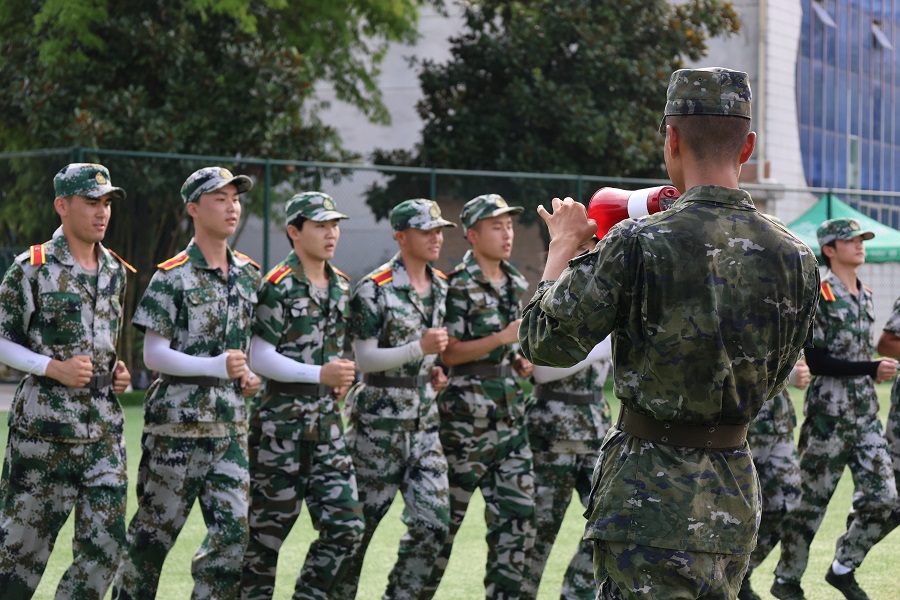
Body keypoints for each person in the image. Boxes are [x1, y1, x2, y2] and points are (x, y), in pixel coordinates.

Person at [518, 67, 820, 599]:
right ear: (747, 146)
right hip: (732, 494)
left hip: (646, 497)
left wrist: (562, 248)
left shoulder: (637, 241)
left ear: (672, 139)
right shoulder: (796, 257)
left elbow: (545, 343)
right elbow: (774, 377)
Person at [112, 167, 261, 600]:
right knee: (151, 541)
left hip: (230, 428)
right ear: (193, 209)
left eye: (236, 198)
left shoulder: (248, 274)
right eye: (220, 198)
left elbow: (245, 349)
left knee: (233, 536)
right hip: (177, 428)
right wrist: (216, 365)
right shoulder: (172, 275)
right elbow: (153, 355)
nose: (232, 207)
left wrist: (247, 374)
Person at [0, 163, 132, 599]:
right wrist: (51, 367)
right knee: (18, 558)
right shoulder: (32, 268)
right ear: (62, 205)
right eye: (92, 202)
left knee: (105, 550)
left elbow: (103, 341)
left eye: (107, 203)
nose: (102, 212)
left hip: (104, 435)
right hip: (44, 435)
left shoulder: (114, 270)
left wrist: (115, 371)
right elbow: (2, 341)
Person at [240, 192, 364, 600]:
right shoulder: (278, 285)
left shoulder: (341, 285)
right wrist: (319, 374)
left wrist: (338, 376)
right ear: (294, 232)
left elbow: (334, 349)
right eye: (320, 226)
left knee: (347, 528)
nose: (331, 234)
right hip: (280, 429)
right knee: (263, 541)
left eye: (335, 225)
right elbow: (259, 356)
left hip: (327, 428)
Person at [334, 198, 456, 600]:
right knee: (358, 532)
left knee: (434, 525)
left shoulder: (441, 285)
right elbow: (365, 359)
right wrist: (419, 349)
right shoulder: (374, 289)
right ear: (401, 237)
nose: (436, 237)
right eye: (426, 231)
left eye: (439, 230)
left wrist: (431, 368)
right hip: (377, 427)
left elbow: (431, 352)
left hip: (424, 426)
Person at [772, 217, 898, 600]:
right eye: (850, 240)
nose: (860, 245)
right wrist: (870, 368)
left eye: (861, 239)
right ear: (829, 249)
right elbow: (817, 360)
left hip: (865, 416)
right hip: (828, 417)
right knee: (810, 505)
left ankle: (844, 566)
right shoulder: (820, 294)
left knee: (885, 498)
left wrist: (868, 371)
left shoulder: (866, 294)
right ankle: (786, 580)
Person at [421, 193, 536, 600]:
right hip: (464, 424)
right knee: (441, 529)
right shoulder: (455, 285)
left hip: (510, 420)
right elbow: (449, 354)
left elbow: (505, 344)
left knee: (518, 521)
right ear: (472, 235)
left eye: (509, 225)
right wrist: (501, 339)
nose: (507, 234)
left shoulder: (514, 281)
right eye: (496, 226)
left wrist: (515, 358)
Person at [521, 240, 613, 600]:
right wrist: (599, 349)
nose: (589, 254)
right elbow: (540, 370)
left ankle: (574, 593)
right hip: (551, 434)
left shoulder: (604, 298)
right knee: (537, 536)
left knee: (609, 525)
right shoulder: (551, 295)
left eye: (593, 247)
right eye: (581, 247)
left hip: (595, 433)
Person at [737, 359, 809, 600]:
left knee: (787, 501)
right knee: (732, 508)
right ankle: (720, 580)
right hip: (738, 420)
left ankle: (740, 573)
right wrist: (785, 373)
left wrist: (794, 367)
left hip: (778, 420)